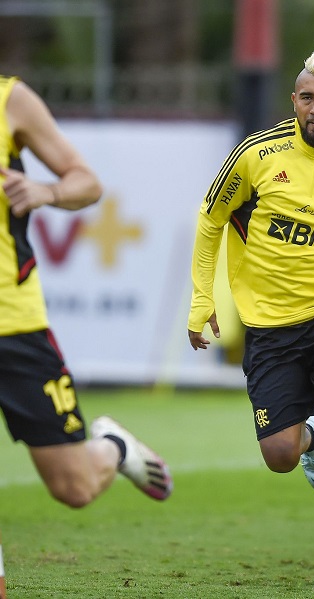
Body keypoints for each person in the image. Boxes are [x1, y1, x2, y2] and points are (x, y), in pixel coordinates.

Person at [187, 49, 314, 587]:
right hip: (270, 325)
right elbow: (211, 220)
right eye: (307, 97)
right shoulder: (257, 155)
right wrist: (201, 301)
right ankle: (308, 440)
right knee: (280, 455)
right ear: (294, 102)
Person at [0, 76, 173, 511]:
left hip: (13, 322)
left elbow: (87, 183)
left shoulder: (11, 99)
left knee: (73, 488)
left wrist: (47, 191)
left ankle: (114, 446)